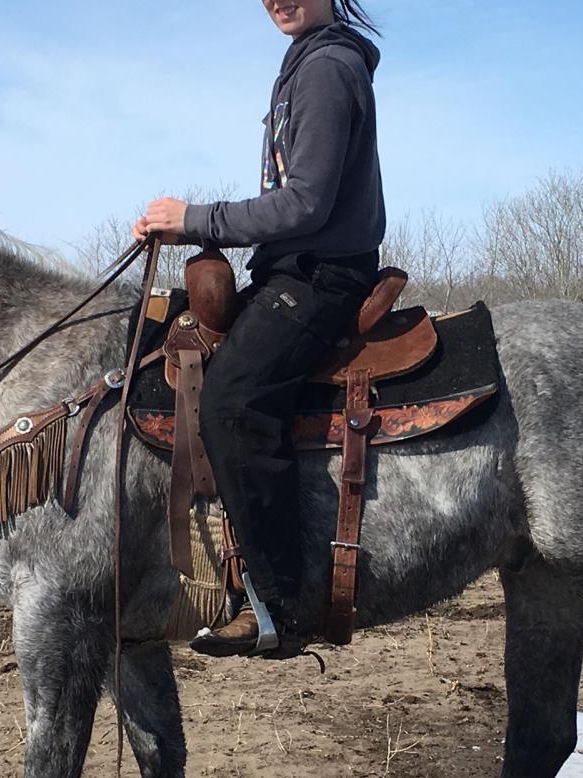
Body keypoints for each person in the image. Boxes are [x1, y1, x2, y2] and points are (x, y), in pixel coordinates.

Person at [133, 0, 386, 656]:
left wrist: (194, 219)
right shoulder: (301, 66)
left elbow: (305, 201)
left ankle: (277, 604)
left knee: (232, 403)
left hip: (320, 275)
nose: (275, 0)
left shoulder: (328, 67)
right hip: (291, 271)